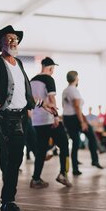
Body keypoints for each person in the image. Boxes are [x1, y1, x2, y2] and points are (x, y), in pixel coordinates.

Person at [0, 25, 57, 211]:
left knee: (17, 156)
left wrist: (44, 105)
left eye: (15, 39)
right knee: (13, 156)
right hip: (5, 116)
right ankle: (8, 201)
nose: (13, 41)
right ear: (0, 43)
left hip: (22, 115)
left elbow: (24, 94)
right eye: (9, 38)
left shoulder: (18, 64)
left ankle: (8, 197)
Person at [29, 57, 72, 188]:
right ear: (51, 68)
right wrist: (56, 117)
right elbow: (52, 99)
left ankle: (36, 179)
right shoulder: (49, 79)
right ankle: (63, 174)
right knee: (64, 144)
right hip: (48, 118)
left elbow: (31, 101)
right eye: (53, 69)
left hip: (36, 121)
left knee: (41, 150)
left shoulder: (31, 80)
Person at [62, 70, 103, 175]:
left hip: (67, 118)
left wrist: (83, 118)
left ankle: (75, 168)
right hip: (75, 118)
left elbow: (68, 107)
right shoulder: (74, 90)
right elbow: (77, 107)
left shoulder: (65, 90)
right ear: (75, 78)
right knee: (91, 136)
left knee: (75, 143)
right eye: (78, 77)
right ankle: (95, 160)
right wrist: (82, 122)